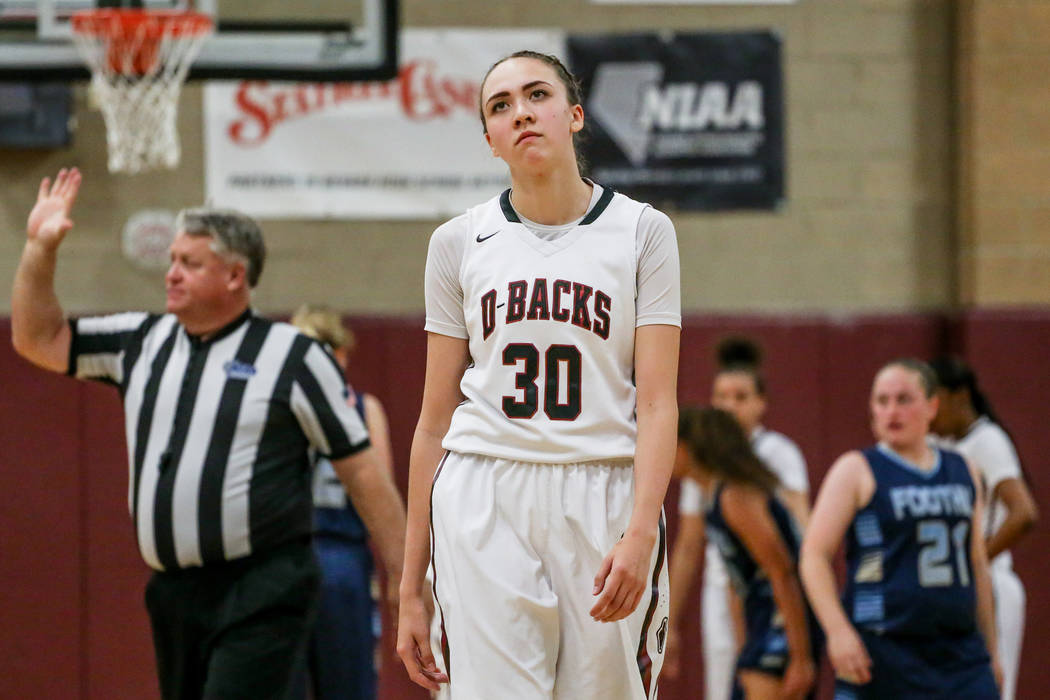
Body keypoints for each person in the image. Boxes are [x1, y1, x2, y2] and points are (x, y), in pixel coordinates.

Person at [10, 168, 407, 700]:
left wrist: (408, 578)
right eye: (172, 260)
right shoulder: (141, 339)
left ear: (234, 277)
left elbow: (362, 471)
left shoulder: (294, 357)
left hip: (263, 586)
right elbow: (37, 337)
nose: (171, 274)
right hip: (174, 591)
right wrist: (39, 247)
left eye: (190, 264)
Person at [395, 50, 681, 700]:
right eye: (500, 106)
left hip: (603, 491)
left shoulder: (643, 232)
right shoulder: (458, 243)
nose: (520, 112)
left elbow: (659, 406)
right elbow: (432, 422)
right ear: (491, 140)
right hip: (484, 492)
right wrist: (411, 587)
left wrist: (640, 534)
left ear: (574, 114)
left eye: (536, 95)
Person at [800, 359, 1001, 699]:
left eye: (904, 399)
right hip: (883, 649)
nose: (892, 410)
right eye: (882, 401)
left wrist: (992, 650)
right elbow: (813, 557)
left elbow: (976, 564)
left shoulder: (963, 468)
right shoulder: (856, 469)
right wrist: (837, 632)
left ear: (932, 406)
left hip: (960, 654)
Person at [665, 337, 810, 698]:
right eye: (722, 397)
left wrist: (802, 653)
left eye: (741, 397)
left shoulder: (762, 467)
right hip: (734, 589)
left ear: (762, 403)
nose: (730, 406)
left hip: (776, 596)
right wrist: (669, 621)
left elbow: (790, 555)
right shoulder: (707, 479)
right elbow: (687, 547)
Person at [289, 305, 399, 700]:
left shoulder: (279, 407)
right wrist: (400, 572)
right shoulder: (363, 407)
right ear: (340, 355)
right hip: (342, 562)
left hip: (286, 561)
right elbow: (380, 496)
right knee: (349, 688)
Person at [928, 355, 1037, 700]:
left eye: (936, 400)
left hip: (990, 584)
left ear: (959, 396)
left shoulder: (988, 441)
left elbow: (1024, 513)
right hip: (949, 589)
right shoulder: (936, 445)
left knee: (993, 690)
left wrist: (975, 562)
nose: (929, 411)